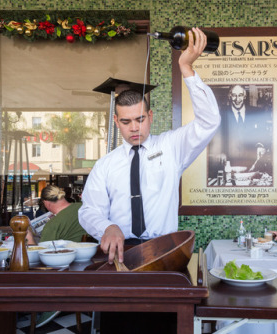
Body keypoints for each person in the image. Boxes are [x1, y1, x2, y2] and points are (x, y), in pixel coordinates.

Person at [78, 28, 220, 264]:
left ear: (150, 116)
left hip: (164, 250)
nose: (134, 128)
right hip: (120, 254)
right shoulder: (105, 165)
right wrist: (107, 226)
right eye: (126, 121)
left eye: (140, 119)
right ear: (116, 121)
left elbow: (210, 121)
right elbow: (88, 210)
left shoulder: (172, 146)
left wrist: (186, 68)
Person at [207, 84, 273, 185]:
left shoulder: (256, 112)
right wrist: (218, 151)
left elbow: (264, 133)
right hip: (228, 164)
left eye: (240, 95)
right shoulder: (220, 114)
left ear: (244, 96)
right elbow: (213, 136)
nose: (237, 99)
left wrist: (260, 145)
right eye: (234, 95)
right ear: (230, 96)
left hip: (252, 163)